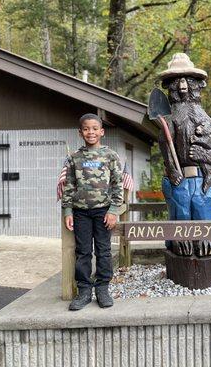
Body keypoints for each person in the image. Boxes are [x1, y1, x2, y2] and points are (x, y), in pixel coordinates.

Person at [62, 113, 123, 310]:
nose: (91, 132)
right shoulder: (74, 158)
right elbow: (69, 186)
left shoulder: (110, 156)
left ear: (102, 132)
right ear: (80, 133)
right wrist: (68, 211)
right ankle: (84, 291)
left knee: (104, 251)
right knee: (83, 252)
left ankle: (103, 289)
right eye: (87, 129)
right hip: (81, 212)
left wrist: (114, 210)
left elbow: (117, 184)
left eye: (95, 128)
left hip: (103, 212)